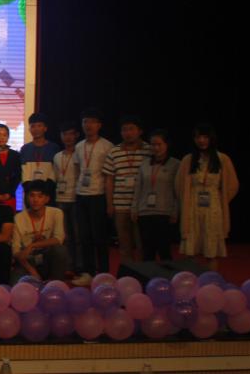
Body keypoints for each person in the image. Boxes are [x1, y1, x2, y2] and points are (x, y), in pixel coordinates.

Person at [176, 124, 239, 271]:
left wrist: (221, 201)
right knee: (191, 251)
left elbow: (233, 185)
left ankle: (210, 281)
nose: (201, 140)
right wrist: (186, 202)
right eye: (198, 137)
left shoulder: (222, 159)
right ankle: (192, 282)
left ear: (211, 138)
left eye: (205, 137)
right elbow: (179, 185)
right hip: (192, 208)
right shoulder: (188, 160)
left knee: (212, 253)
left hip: (213, 209)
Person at [72, 108, 114, 286]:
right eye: (85, 122)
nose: (88, 125)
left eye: (92, 121)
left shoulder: (107, 146)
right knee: (84, 237)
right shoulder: (79, 146)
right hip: (81, 196)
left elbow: (110, 176)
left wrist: (109, 203)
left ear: (99, 125)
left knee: (100, 237)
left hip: (98, 195)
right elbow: (77, 171)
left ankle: (104, 274)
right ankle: (88, 273)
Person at [103, 115, 152, 266]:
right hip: (120, 206)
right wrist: (110, 204)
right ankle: (128, 273)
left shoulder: (149, 150)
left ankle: (144, 273)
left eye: (131, 129)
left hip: (142, 206)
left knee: (143, 244)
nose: (127, 133)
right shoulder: (114, 151)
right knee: (124, 245)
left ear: (140, 131)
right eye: (124, 130)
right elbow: (109, 179)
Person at [132, 130, 180, 262]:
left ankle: (167, 275)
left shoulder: (176, 164)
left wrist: (175, 211)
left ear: (167, 145)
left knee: (164, 250)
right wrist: (134, 208)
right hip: (144, 212)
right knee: (147, 251)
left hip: (164, 212)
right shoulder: (144, 163)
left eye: (159, 144)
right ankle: (148, 275)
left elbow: (177, 190)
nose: (156, 148)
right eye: (153, 144)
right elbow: (138, 187)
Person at [12, 180, 69, 282]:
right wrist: (32, 271)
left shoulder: (56, 213)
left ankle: (55, 283)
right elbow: (16, 251)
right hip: (28, 261)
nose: (35, 200)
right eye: (32, 196)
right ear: (26, 198)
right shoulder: (19, 218)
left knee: (60, 250)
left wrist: (32, 245)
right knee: (16, 284)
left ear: (47, 199)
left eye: (40, 196)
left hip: (48, 258)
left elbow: (59, 239)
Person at [53, 122, 82, 276]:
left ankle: (79, 267)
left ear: (76, 135)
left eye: (71, 134)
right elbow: (57, 178)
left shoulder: (81, 154)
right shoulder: (57, 156)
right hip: (60, 199)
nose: (68, 137)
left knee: (78, 236)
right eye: (65, 134)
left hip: (76, 198)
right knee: (65, 236)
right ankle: (68, 266)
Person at [20, 113, 61, 199]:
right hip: (30, 194)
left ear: (45, 128)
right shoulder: (25, 149)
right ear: (29, 129)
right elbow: (24, 173)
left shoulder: (54, 148)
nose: (36, 129)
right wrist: (29, 189)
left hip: (48, 193)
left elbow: (55, 172)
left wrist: (46, 190)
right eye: (33, 126)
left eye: (39, 126)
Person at [0, 124, 22, 211]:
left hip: (10, 196)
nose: (1, 138)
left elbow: (18, 176)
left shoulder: (15, 155)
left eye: (4, 135)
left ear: (8, 137)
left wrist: (9, 193)